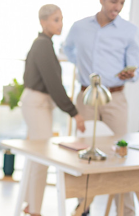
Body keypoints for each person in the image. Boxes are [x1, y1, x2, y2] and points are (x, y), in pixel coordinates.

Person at [64, 0, 139, 215]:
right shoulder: (79, 27)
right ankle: (83, 206)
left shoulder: (130, 31)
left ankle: (126, 212)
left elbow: (137, 67)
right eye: (113, 2)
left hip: (114, 98)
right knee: (83, 152)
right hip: (87, 96)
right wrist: (80, 63)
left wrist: (131, 73)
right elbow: (67, 49)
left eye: (122, 3)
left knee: (120, 154)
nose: (117, 7)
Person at [20, 4, 86, 216]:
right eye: (56, 20)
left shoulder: (43, 43)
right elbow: (54, 85)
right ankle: (35, 209)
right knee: (42, 156)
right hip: (37, 104)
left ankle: (30, 204)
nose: (60, 24)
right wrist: (74, 112)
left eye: (61, 19)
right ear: (43, 22)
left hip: (37, 103)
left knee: (35, 155)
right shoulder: (43, 45)